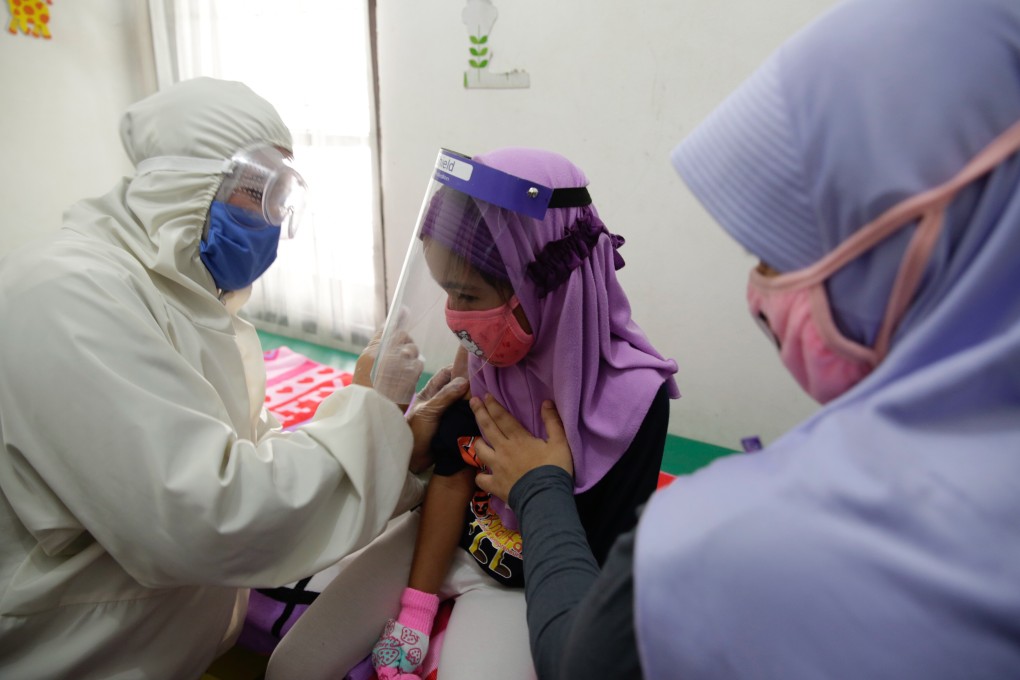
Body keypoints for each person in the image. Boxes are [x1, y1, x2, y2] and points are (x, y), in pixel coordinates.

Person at [464, 0, 1020, 677]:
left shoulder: (712, 545)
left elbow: (580, 658)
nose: (760, 289)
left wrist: (542, 491)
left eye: (784, 248)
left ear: (920, 239)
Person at [0, 77, 466, 679]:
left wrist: (398, 451)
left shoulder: (194, 305)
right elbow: (212, 514)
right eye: (258, 192)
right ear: (180, 182)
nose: (271, 221)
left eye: (280, 200)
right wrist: (370, 405)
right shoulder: (65, 296)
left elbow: (252, 455)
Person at [266, 148, 679, 680]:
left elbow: (595, 573)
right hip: (449, 540)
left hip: (535, 583)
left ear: (543, 285)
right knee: (291, 667)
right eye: (446, 293)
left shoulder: (635, 405)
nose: (455, 319)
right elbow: (451, 476)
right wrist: (417, 607)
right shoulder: (487, 352)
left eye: (467, 295)